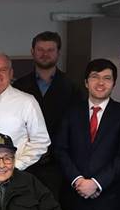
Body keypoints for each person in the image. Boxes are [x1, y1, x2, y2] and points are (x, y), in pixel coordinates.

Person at [55, 59, 120, 210]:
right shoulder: (70, 113)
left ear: (114, 83)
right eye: (95, 77)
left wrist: (96, 183)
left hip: (111, 203)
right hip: (75, 201)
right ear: (86, 82)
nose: (100, 83)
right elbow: (60, 149)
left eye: (107, 78)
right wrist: (78, 180)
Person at [13, 31, 82, 199]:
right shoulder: (19, 86)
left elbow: (78, 128)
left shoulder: (73, 87)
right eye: (40, 49)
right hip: (25, 161)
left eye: (50, 50)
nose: (45, 54)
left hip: (59, 164)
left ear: (58, 53)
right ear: (32, 52)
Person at [0, 53, 50, 170]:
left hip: (16, 174)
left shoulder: (27, 102)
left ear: (11, 73)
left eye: (3, 70)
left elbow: (41, 141)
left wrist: (16, 166)